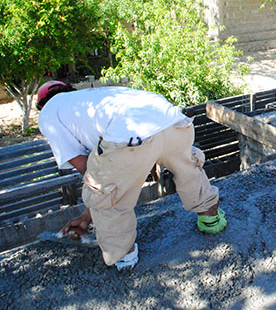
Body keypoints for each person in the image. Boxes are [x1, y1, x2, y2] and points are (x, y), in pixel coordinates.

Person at [37, 81, 227, 270]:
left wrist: (92, 208)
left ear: (42, 105)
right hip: (174, 121)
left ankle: (124, 259)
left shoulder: (48, 113)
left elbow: (91, 173)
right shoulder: (93, 97)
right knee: (188, 169)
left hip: (131, 136)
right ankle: (211, 220)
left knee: (105, 197)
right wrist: (88, 214)